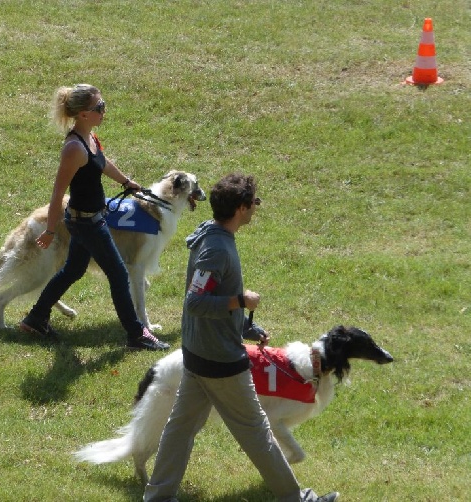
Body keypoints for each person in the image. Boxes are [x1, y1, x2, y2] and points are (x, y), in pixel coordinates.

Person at [143, 173, 338, 501]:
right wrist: (240, 302)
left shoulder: (212, 236)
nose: (255, 209)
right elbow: (195, 302)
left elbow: (210, 299)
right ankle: (297, 498)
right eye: (254, 204)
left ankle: (158, 497)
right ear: (242, 208)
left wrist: (243, 325)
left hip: (198, 353)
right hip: (219, 361)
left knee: (180, 428)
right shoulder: (216, 248)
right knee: (257, 431)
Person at [18, 84, 169, 351]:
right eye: (99, 107)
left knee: (73, 270)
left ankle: (36, 318)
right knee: (119, 274)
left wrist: (127, 181)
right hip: (85, 222)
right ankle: (136, 335)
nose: (104, 111)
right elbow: (57, 194)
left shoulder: (90, 138)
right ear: (83, 114)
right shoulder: (73, 149)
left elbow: (103, 162)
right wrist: (51, 230)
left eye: (103, 104)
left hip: (91, 217)